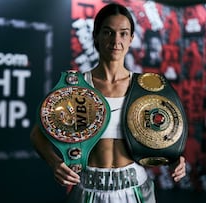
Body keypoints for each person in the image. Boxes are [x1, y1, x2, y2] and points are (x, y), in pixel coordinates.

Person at [30, 3, 186, 203]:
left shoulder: (145, 87)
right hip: (87, 190)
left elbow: (164, 135)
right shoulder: (77, 86)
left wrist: (174, 159)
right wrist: (55, 163)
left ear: (131, 39)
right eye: (108, 32)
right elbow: (37, 135)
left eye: (123, 33)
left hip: (136, 191)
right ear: (96, 36)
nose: (116, 40)